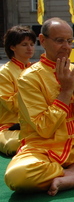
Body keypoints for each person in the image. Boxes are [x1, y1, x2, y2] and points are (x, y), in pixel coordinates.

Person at [4, 18, 74, 196]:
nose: (66, 47)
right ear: (43, 40)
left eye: (69, 41)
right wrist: (65, 92)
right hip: (43, 148)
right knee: (17, 176)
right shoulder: (29, 78)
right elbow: (44, 129)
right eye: (59, 41)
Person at [0, 26, 36, 157]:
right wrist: (28, 87)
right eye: (24, 44)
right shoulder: (5, 73)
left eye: (32, 44)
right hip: (10, 127)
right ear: (12, 47)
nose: (30, 48)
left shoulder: (36, 69)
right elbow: (10, 105)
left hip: (36, 125)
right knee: (13, 144)